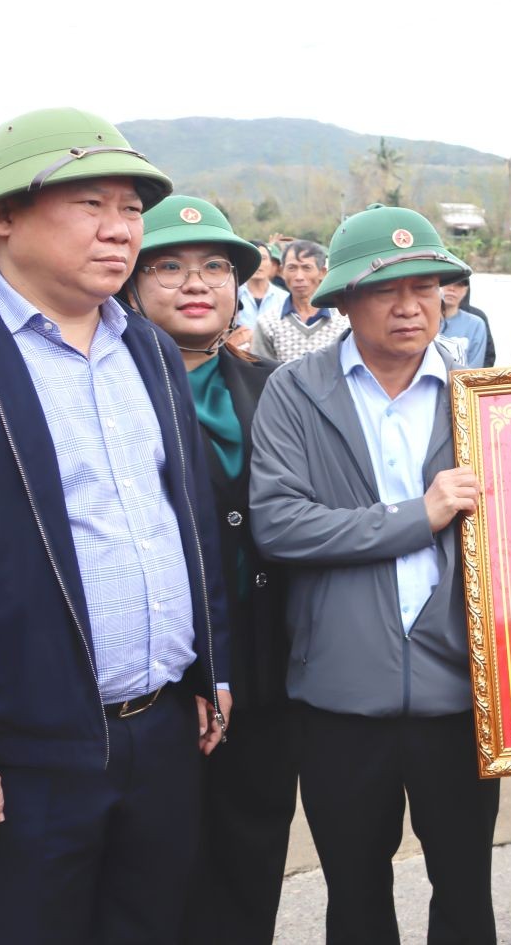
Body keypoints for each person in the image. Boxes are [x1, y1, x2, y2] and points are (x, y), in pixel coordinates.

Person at [251, 205, 511, 944]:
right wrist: (415, 515)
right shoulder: (295, 391)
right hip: (339, 695)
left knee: (464, 889)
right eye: (387, 288)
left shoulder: (484, 397)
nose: (411, 304)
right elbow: (280, 523)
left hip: (461, 700)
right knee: (354, 894)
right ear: (344, 299)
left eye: (428, 286)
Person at [0, 107, 230, 944]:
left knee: (151, 923)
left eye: (131, 209)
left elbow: (189, 519)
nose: (120, 230)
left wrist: (214, 661)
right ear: (5, 215)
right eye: (90, 204)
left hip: (165, 727)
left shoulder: (148, 347)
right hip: (33, 747)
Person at [119, 195, 295, 945]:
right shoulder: (109, 389)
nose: (197, 282)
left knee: (253, 857)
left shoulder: (274, 385)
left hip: (269, 674)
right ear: (130, 282)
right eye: (169, 267)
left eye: (215, 267)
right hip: (163, 686)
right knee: (160, 870)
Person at [253, 240, 348, 362]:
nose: (299, 277)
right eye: (292, 268)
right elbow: (260, 372)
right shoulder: (268, 323)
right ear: (282, 272)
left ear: (322, 273)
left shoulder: (344, 321)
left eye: (306, 268)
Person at [235, 242, 287, 337]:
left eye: (263, 258)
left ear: (271, 264)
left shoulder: (284, 298)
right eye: (252, 258)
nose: (258, 263)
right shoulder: (233, 295)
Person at [439, 276, 489, 368]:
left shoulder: (476, 324)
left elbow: (475, 369)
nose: (451, 288)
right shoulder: (421, 320)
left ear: (466, 290)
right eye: (447, 282)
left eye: (459, 284)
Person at [459, 282, 496, 367]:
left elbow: (489, 355)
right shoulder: (430, 316)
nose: (452, 289)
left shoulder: (478, 319)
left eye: (459, 285)